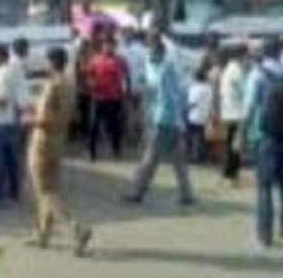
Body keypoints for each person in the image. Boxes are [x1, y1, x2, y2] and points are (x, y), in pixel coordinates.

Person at [240, 39, 283, 250]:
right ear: (280, 53)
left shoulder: (258, 75)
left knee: (264, 186)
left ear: (264, 54)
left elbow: (249, 108)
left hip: (266, 136)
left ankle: (264, 234)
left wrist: (241, 136)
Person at [26, 48, 92, 255]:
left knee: (44, 192)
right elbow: (73, 116)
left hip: (43, 141)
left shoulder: (51, 85)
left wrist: (28, 119)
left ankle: (76, 228)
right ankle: (43, 234)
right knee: (50, 188)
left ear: (50, 62)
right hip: (59, 140)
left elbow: (45, 119)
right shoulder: (70, 84)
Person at [124, 36, 194, 205]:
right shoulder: (154, 66)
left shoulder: (165, 70)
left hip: (163, 119)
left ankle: (137, 191)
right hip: (169, 119)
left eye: (153, 50)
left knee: (150, 158)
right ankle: (186, 194)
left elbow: (169, 96)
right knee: (177, 159)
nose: (149, 53)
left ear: (160, 52)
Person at [0, 43, 28, 206]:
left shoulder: (1, 74)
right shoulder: (10, 71)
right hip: (10, 121)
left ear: (0, 56)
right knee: (12, 159)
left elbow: (2, 101)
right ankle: (14, 193)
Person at [87, 35, 128, 161]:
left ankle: (116, 150)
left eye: (110, 45)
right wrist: (91, 83)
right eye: (105, 44)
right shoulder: (95, 60)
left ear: (114, 46)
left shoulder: (120, 60)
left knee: (115, 126)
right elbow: (89, 75)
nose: (108, 47)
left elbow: (126, 78)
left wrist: (125, 94)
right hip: (98, 97)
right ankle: (91, 151)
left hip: (114, 98)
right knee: (93, 124)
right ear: (102, 46)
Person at [220, 45, 248, 186]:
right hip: (236, 112)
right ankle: (231, 173)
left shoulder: (227, 69)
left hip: (228, 111)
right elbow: (241, 90)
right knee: (235, 145)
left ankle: (229, 173)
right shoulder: (236, 70)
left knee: (231, 143)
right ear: (241, 56)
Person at [187, 67, 214, 163]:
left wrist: (185, 110)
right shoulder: (209, 88)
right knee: (201, 136)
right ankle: (200, 155)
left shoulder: (195, 88)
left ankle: (194, 156)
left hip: (194, 115)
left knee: (193, 136)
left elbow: (192, 103)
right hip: (205, 115)